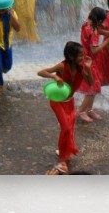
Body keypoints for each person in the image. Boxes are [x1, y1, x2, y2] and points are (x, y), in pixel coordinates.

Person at [36, 41, 93, 174]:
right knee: (66, 128)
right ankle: (62, 159)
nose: (83, 58)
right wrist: (54, 76)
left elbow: (90, 83)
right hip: (57, 101)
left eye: (83, 55)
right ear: (71, 56)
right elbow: (41, 72)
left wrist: (89, 68)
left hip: (69, 101)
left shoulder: (81, 67)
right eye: (80, 56)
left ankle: (64, 150)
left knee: (70, 129)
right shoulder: (62, 66)